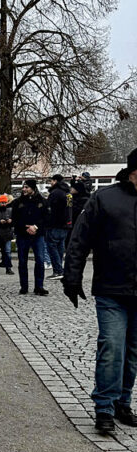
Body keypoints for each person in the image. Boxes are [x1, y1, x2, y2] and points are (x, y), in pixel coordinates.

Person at [63, 147, 137, 435]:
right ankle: (104, 407)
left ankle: (123, 402)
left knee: (132, 352)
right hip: (111, 289)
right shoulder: (104, 199)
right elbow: (80, 240)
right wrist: (72, 277)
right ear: (132, 171)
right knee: (112, 348)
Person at [12, 180, 49, 295]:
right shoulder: (18, 202)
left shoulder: (42, 201)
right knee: (22, 261)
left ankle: (39, 286)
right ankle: (24, 286)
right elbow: (15, 218)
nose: (24, 189)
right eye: (23, 187)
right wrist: (25, 228)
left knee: (40, 260)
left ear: (33, 188)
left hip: (38, 235)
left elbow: (46, 218)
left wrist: (35, 227)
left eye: (27, 187)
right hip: (23, 235)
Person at [45, 174, 72, 278]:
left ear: (55, 181)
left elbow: (49, 209)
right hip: (66, 224)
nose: (50, 183)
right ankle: (60, 269)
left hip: (55, 224)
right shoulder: (68, 193)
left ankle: (58, 270)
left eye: (51, 181)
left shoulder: (55, 193)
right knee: (60, 247)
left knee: (52, 247)